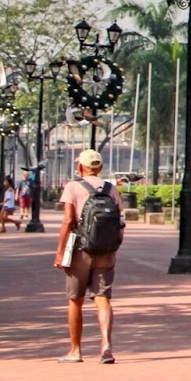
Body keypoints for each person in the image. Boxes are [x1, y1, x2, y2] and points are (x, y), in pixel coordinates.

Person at [56, 149, 123, 364]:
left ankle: (75, 350)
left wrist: (60, 252)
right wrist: (114, 246)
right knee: (103, 298)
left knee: (76, 300)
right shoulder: (112, 190)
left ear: (80, 167)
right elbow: (120, 222)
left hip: (79, 249)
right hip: (106, 251)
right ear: (100, 168)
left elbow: (68, 221)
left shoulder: (73, 187)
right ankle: (106, 345)